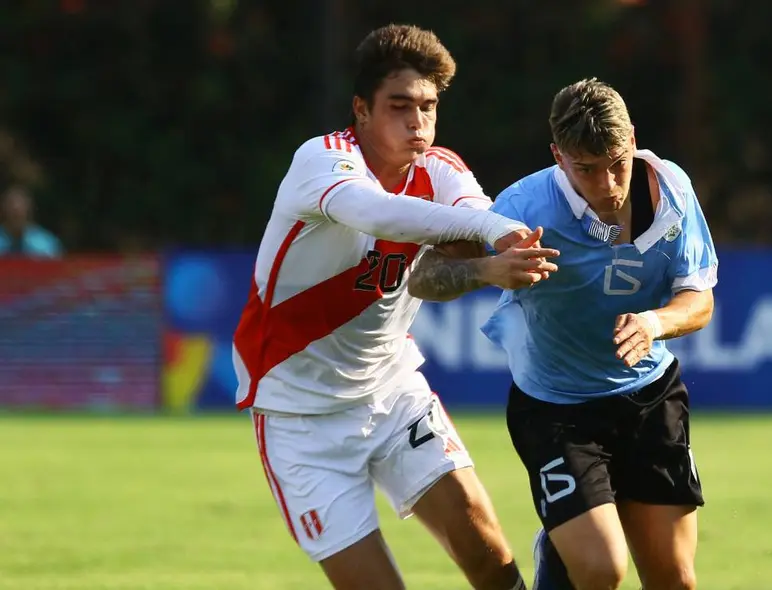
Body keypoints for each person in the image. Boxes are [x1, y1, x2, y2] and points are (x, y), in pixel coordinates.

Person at [232, 24, 558, 590]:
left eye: (429, 107)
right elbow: (381, 214)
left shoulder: (440, 168)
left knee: (486, 549)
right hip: (298, 416)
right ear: (361, 109)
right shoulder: (323, 160)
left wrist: (489, 261)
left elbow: (459, 233)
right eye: (400, 106)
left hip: (391, 392)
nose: (418, 123)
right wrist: (493, 229)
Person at [408, 78, 718, 590]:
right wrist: (488, 271)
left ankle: (562, 535)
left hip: (650, 399)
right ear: (558, 156)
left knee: (675, 581)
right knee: (600, 570)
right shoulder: (523, 208)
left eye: (617, 163)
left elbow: (699, 299)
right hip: (557, 409)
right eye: (587, 170)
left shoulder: (673, 193)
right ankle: (562, 548)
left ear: (633, 138)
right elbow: (424, 275)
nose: (608, 185)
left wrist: (653, 322)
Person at [0, 184, 62, 258]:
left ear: (28, 210)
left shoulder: (45, 244)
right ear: (3, 211)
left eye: (20, 214)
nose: (16, 216)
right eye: (13, 214)